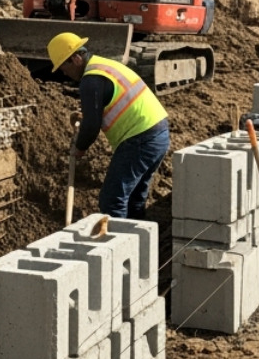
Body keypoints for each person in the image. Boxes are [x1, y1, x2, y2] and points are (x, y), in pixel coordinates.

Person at [49, 32, 171, 220]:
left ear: (75, 58)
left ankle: (119, 244)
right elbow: (110, 102)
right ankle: (137, 242)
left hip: (140, 138)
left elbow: (91, 127)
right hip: (159, 132)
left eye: (63, 67)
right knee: (135, 197)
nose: (63, 73)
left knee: (112, 200)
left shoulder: (91, 80)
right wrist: (88, 114)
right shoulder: (104, 65)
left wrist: (79, 148)